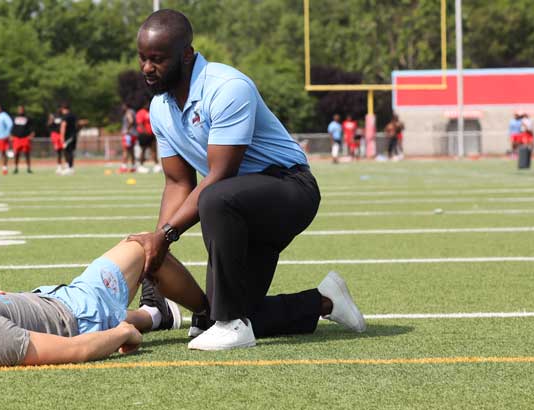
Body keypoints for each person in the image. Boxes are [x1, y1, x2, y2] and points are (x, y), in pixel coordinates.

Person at [131, 10, 366, 351]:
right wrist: (158, 250)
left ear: (186, 54)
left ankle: (231, 326)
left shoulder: (227, 87)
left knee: (216, 198)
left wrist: (166, 234)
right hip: (238, 204)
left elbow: (220, 174)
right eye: (142, 58)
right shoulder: (160, 108)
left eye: (157, 59)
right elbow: (177, 183)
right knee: (216, 314)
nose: (147, 68)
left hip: (289, 188)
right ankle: (324, 301)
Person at [0, 237, 363, 366]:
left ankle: (162, 313)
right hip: (76, 312)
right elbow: (73, 349)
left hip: (48, 301)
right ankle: (222, 315)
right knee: (147, 247)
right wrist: (123, 331)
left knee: (153, 278)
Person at [10, 106, 35, 174]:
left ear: (24, 110)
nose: (20, 111)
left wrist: (31, 135)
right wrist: (11, 135)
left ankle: (28, 168)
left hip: (25, 138)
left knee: (26, 153)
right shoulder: (14, 118)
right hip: (17, 138)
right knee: (16, 154)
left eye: (21, 109)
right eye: (19, 109)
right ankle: (16, 168)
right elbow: (13, 127)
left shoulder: (27, 118)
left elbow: (31, 127)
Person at [58, 103, 80, 175]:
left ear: (63, 109)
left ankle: (69, 168)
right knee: (71, 152)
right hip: (74, 136)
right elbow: (78, 124)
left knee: (67, 152)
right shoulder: (74, 116)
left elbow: (63, 126)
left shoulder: (65, 116)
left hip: (68, 137)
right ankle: (70, 167)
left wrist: (62, 137)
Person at [135, 107, 158, 173]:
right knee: (143, 150)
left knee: (154, 150)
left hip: (152, 134)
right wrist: (146, 132)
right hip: (144, 135)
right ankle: (140, 166)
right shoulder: (141, 112)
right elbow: (140, 123)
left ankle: (157, 165)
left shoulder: (151, 111)